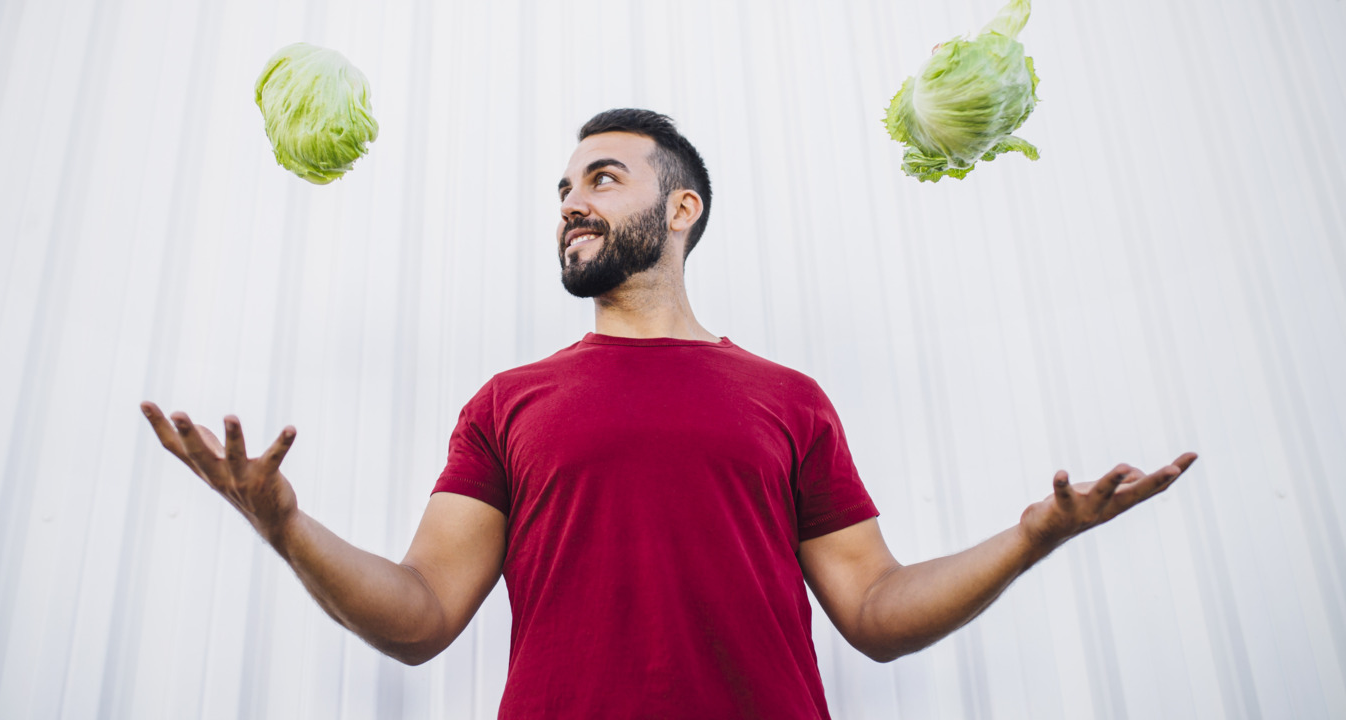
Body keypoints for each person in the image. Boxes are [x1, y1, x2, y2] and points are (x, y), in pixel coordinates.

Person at [141, 109, 1197, 719]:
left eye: (603, 178)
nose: (571, 203)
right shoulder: (508, 404)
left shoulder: (789, 400)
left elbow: (874, 614)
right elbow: (420, 618)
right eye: (563, 187)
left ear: (679, 209)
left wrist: (1030, 539)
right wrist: (282, 525)